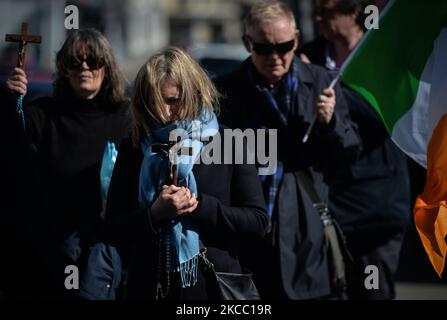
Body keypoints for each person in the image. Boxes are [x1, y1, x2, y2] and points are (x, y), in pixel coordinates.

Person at [215, 0, 361, 300]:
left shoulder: (321, 81)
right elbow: (215, 164)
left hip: (307, 229)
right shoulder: (225, 92)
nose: (275, 57)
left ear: (295, 39)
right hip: (249, 233)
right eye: (264, 48)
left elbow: (349, 157)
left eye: (283, 46)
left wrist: (330, 123)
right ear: (247, 43)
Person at [100, 47, 268, 299]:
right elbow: (113, 228)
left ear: (194, 94)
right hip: (150, 286)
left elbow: (257, 222)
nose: (163, 113)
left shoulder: (229, 142)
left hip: (213, 289)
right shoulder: (135, 147)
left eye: (172, 101)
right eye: (153, 103)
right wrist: (154, 214)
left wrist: (198, 207)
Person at [2, 28, 131, 298]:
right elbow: (12, 143)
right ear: (65, 70)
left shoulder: (126, 116)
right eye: (75, 61)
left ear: (106, 67)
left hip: (107, 245)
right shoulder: (45, 113)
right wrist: (9, 101)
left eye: (93, 60)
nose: (84, 67)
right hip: (54, 246)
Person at [300, 0, 411, 299]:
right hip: (325, 204)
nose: (319, 17)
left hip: (375, 206)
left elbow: (389, 116)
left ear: (353, 12)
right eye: (316, 10)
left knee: (371, 289)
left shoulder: (384, 56)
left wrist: (331, 95)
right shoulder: (306, 56)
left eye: (328, 10)